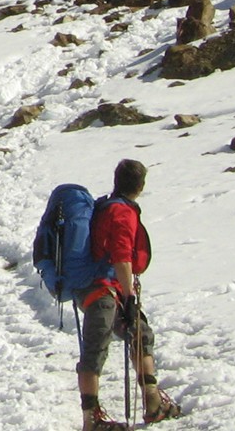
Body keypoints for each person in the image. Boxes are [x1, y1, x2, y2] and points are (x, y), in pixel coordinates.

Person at [77, 159, 180, 430]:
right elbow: (122, 256)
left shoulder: (108, 206)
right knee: (95, 348)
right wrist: (129, 297)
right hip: (103, 289)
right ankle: (92, 420)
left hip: (104, 288)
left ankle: (152, 400)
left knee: (140, 334)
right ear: (141, 185)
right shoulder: (122, 212)